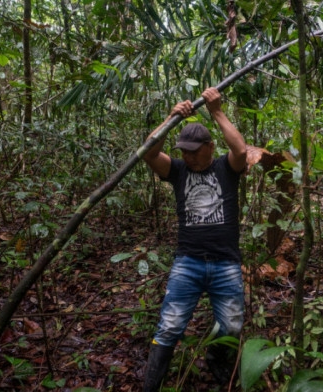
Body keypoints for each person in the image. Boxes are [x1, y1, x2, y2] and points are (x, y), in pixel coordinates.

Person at [142, 87, 247, 391]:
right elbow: (149, 151)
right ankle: (152, 385)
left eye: (193, 150)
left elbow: (240, 151)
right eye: (183, 150)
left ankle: (218, 360)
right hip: (187, 262)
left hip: (225, 263)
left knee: (231, 325)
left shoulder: (225, 168)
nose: (187, 156)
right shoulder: (177, 171)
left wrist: (216, 111)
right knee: (169, 326)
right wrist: (172, 117)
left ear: (210, 147)